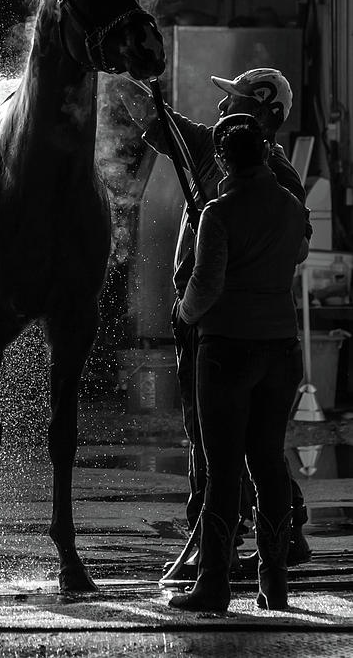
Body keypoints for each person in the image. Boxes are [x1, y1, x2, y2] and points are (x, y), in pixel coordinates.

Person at [120, 68, 311, 574]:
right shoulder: (211, 147)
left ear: (263, 114)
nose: (222, 109)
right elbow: (159, 118)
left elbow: (293, 249)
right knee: (237, 440)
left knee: (218, 439)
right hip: (238, 328)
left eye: (236, 102)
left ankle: (213, 544)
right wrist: (131, 72)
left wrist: (226, 230)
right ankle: (280, 534)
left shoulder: (275, 177)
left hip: (222, 328)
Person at [168, 113, 307, 611]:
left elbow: (206, 284)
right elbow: (299, 252)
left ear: (225, 159)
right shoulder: (291, 207)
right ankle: (275, 583)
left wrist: (183, 313)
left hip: (226, 347)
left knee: (223, 467)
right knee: (269, 462)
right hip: (281, 347)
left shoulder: (218, 213)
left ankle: (213, 585)